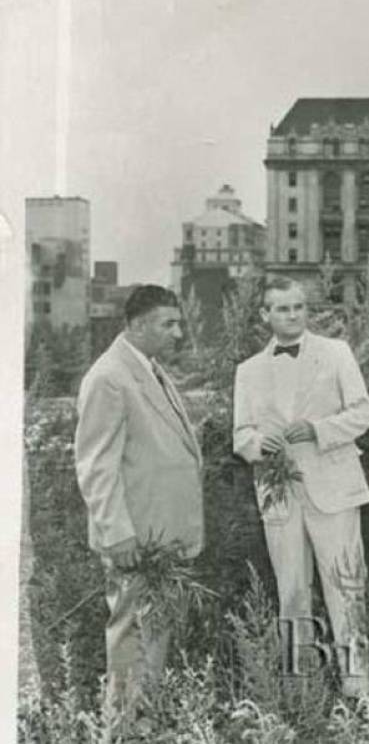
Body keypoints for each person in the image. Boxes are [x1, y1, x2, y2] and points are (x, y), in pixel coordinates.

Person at [233, 277, 369, 698]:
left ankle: (358, 688)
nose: (292, 315)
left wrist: (317, 429)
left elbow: (362, 412)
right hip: (280, 496)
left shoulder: (336, 354)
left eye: (298, 307)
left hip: (334, 487)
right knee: (291, 589)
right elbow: (240, 434)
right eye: (281, 309)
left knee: (346, 585)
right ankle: (302, 689)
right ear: (264, 315)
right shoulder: (249, 370)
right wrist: (260, 444)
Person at [74, 284, 204, 714]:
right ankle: (125, 727)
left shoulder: (146, 368)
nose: (178, 334)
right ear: (136, 325)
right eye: (168, 324)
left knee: (154, 634)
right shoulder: (109, 377)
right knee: (131, 635)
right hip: (135, 539)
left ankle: (145, 722)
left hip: (159, 535)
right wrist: (117, 533)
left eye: (178, 323)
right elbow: (96, 465)